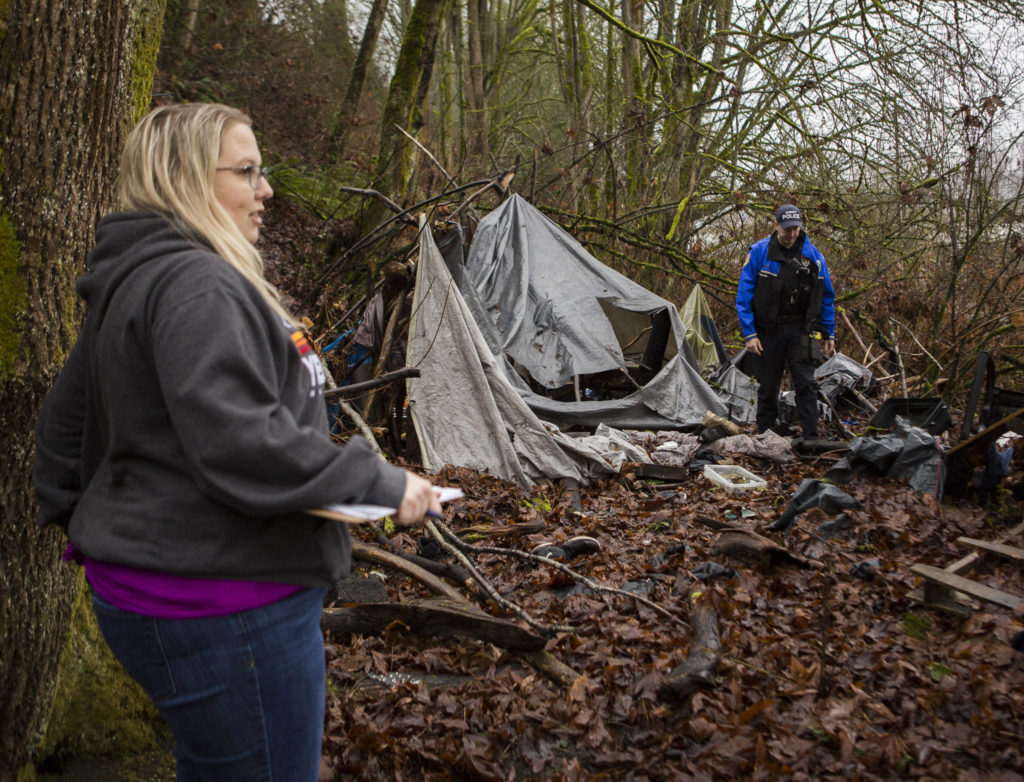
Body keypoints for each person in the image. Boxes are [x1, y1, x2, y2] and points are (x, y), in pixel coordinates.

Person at [32, 102, 442, 781]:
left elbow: (62, 429)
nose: (267, 190)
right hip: (227, 607)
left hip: (159, 591)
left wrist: (104, 528)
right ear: (185, 177)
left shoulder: (138, 274)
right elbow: (241, 439)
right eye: (246, 171)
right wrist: (381, 483)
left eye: (264, 171)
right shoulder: (198, 284)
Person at [735, 203, 836, 440]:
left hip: (802, 330)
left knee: (806, 383)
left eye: (795, 229)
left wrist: (829, 332)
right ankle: (766, 434)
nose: (791, 234)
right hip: (767, 331)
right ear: (776, 225)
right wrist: (749, 334)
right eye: (787, 229)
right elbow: (744, 297)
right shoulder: (760, 253)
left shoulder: (814, 258)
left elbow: (826, 297)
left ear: (801, 228)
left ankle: (810, 437)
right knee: (768, 386)